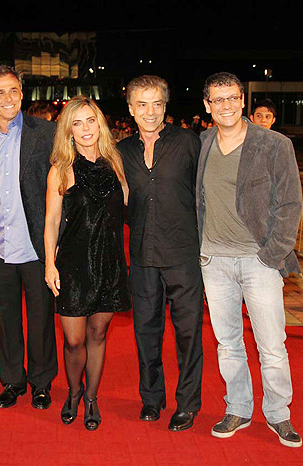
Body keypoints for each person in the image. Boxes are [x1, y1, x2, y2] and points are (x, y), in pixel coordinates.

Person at [198, 72, 303, 447]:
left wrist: (272, 254)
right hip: (214, 261)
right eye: (217, 99)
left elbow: (290, 203)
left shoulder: (274, 144)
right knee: (227, 343)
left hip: (259, 261)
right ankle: (239, 407)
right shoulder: (204, 142)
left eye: (232, 98)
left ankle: (279, 414)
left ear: (242, 100)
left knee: (272, 345)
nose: (225, 105)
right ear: (207, 106)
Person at [0, 65, 58, 410]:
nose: (7, 98)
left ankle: (41, 382)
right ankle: (13, 381)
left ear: (22, 94)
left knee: (41, 317)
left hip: (35, 245)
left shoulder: (46, 132)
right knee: (6, 318)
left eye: (14, 91)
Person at [118, 75, 204, 432]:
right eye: (141, 104)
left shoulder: (188, 142)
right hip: (141, 255)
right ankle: (152, 399)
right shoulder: (121, 151)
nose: (149, 112)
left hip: (183, 253)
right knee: (146, 331)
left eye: (156, 103)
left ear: (166, 106)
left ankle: (187, 404)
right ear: (130, 108)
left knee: (188, 333)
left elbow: (204, 194)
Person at [44, 96, 131, 430]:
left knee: (98, 333)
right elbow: (52, 221)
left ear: (100, 124)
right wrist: (50, 264)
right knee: (74, 340)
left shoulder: (116, 163)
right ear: (68, 130)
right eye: (76, 123)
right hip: (73, 266)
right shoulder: (61, 169)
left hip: (109, 263)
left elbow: (126, 209)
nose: (85, 129)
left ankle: (92, 398)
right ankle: (74, 391)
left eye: (90, 121)